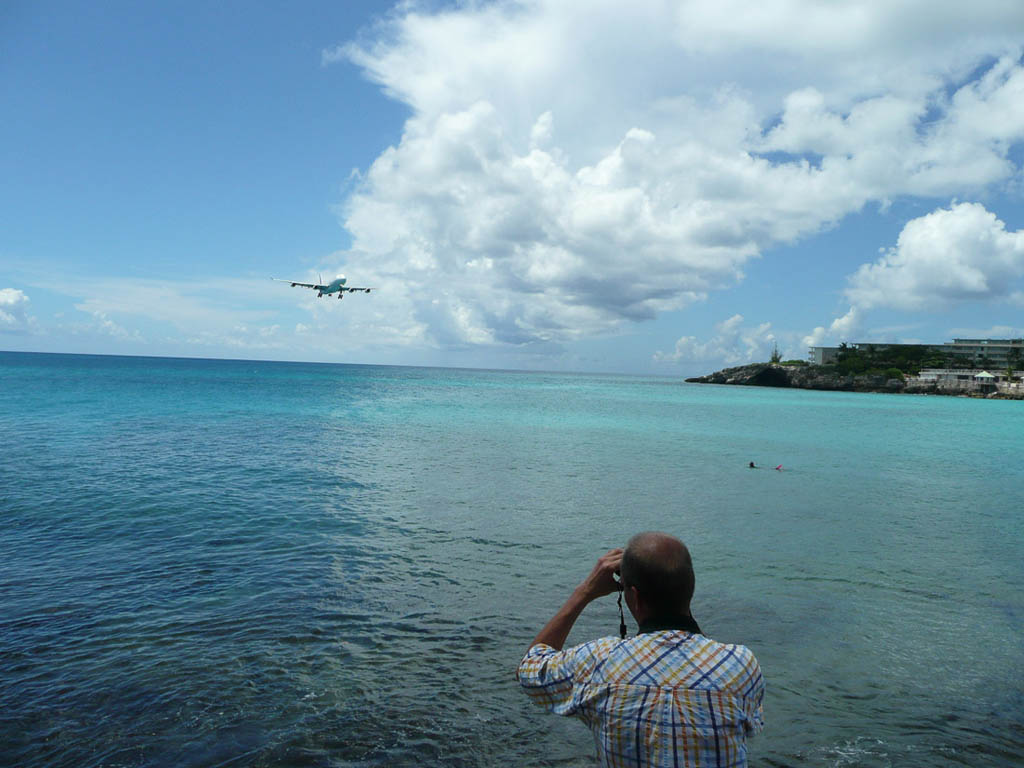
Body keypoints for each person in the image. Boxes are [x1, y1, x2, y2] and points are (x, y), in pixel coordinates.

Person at [517, 532, 764, 767]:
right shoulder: (741, 664)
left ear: (633, 596)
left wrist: (584, 592)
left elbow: (530, 669)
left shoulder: (599, 661)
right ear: (691, 588)